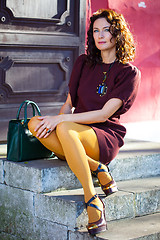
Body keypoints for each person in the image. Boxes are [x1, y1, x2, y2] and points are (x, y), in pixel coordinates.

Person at [28, 9, 141, 235]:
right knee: (34, 123)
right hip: (74, 130)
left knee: (64, 127)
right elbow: (69, 103)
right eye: (96, 30)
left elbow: (102, 115)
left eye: (106, 30)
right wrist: (58, 119)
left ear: (117, 34)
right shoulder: (83, 63)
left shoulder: (129, 73)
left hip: (104, 136)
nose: (100, 35)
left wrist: (60, 120)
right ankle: (96, 167)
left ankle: (92, 198)